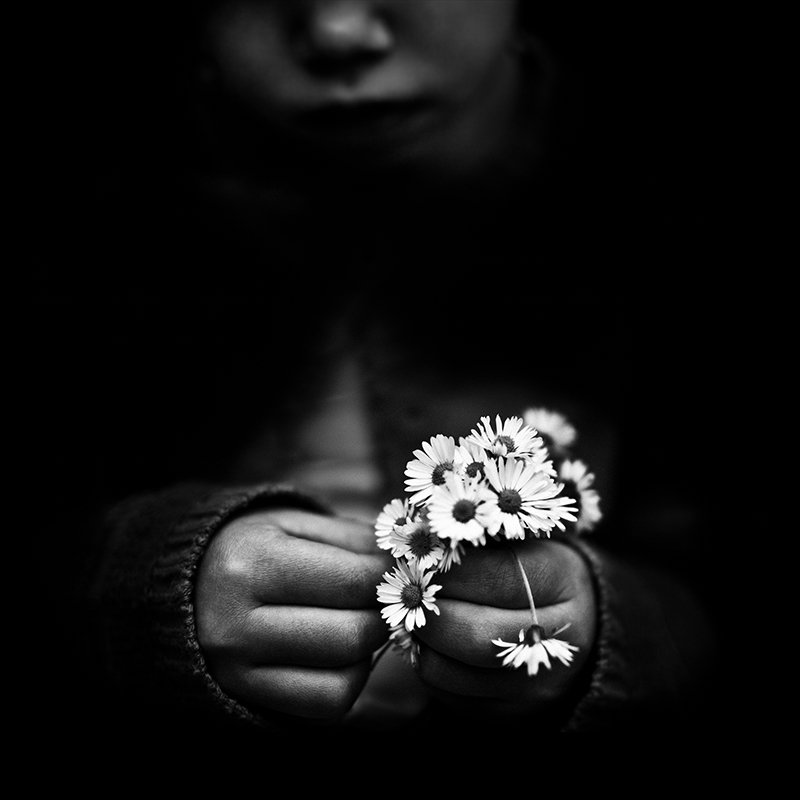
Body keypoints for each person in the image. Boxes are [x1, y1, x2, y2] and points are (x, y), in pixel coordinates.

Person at [32, 0, 745, 748]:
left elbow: (721, 588)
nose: (340, 31)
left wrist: (612, 625)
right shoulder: (91, 216)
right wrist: (144, 586)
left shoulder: (667, 211)